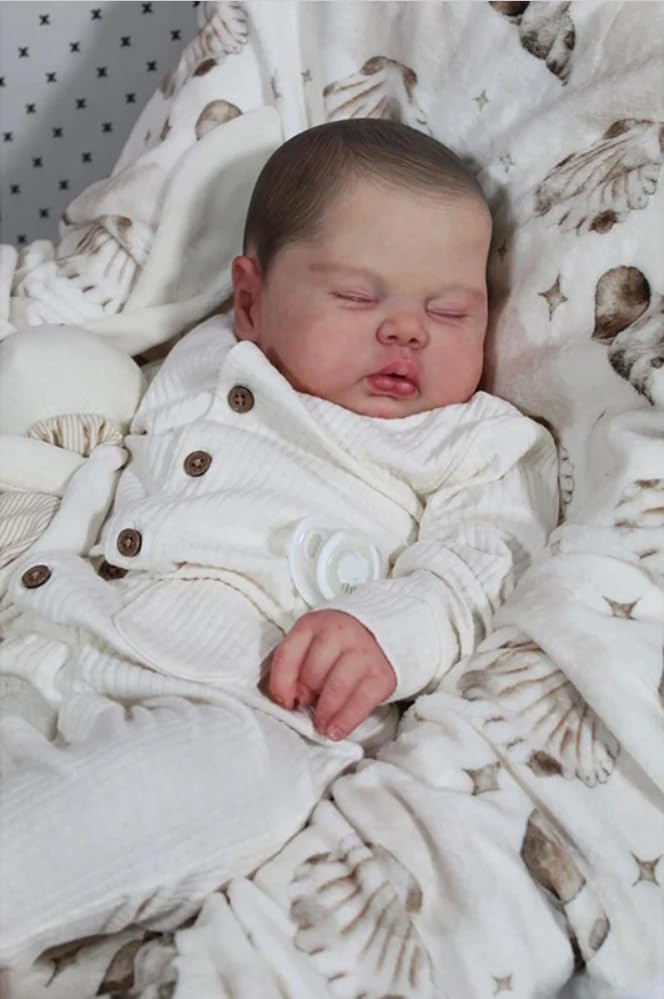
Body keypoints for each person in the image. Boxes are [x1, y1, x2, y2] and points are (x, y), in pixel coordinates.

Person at [0, 119, 558, 968]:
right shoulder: (206, 354)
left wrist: (387, 626)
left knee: (194, 794)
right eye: (359, 297)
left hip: (241, 699)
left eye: (450, 310)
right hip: (56, 634)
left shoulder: (473, 440)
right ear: (252, 301)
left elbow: (490, 553)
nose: (408, 330)